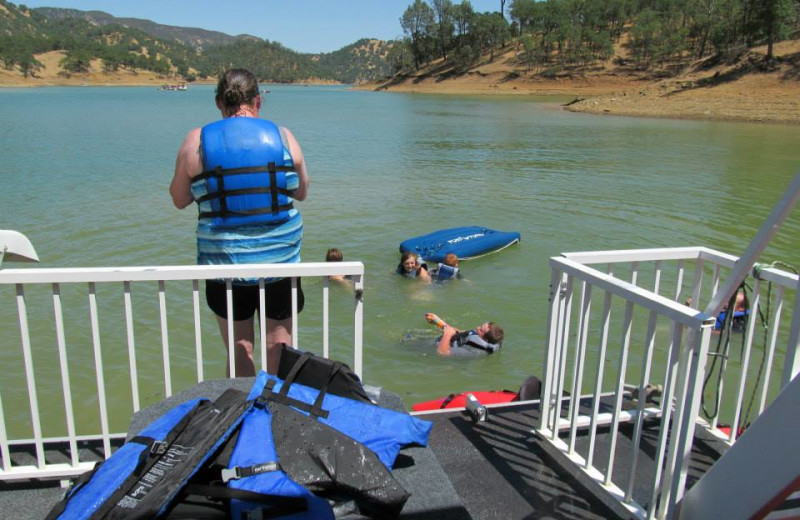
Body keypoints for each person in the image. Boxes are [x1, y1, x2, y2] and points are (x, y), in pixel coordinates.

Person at [169, 68, 309, 377]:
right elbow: (301, 191)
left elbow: (179, 199)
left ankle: (245, 416)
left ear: (219, 102)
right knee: (279, 345)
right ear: (258, 101)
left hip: (225, 267)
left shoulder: (196, 141)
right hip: (280, 264)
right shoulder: (284, 137)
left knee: (240, 347)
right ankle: (275, 414)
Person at [425, 313, 504, 357]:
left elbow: (442, 353)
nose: (477, 327)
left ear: (485, 340)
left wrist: (447, 334)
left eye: (481, 330)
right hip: (439, 340)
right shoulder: (479, 337)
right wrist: (439, 322)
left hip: (430, 349)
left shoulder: (473, 351)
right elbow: (460, 333)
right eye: (480, 326)